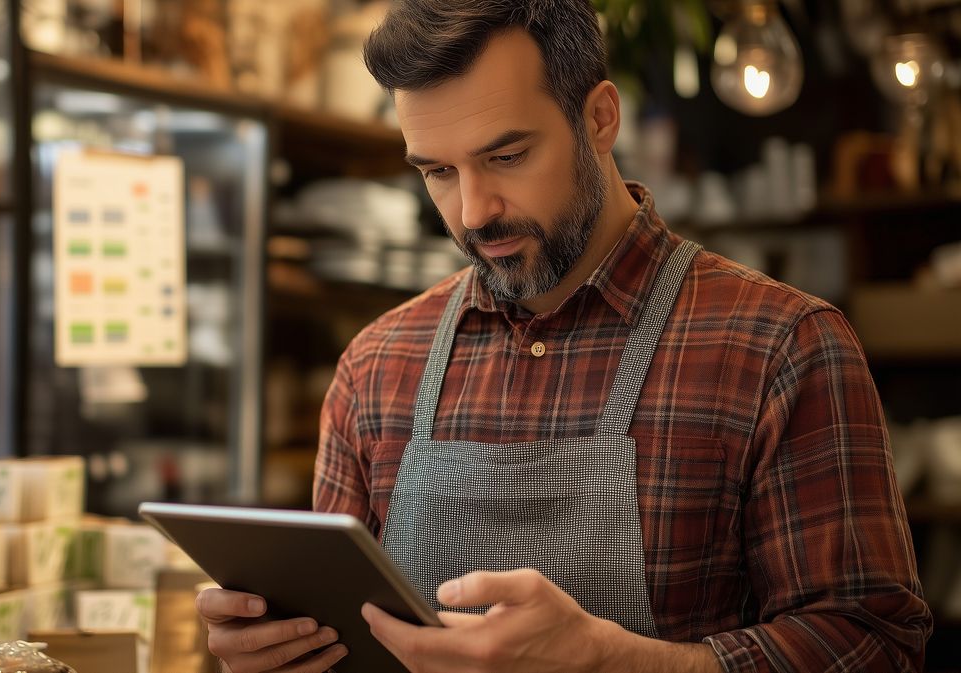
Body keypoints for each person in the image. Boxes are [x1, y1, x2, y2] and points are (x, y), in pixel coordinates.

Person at [195, 1, 933, 671]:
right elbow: (343, 632)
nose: (475, 211)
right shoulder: (378, 363)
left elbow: (874, 640)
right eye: (437, 172)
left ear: (600, 118)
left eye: (506, 156)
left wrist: (621, 662)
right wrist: (275, 650)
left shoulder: (781, 346)